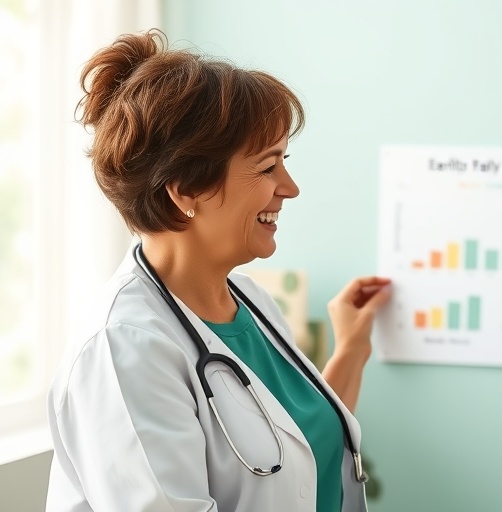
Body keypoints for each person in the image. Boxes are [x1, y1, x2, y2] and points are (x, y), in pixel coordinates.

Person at [46, 29, 391, 512]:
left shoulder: (249, 300)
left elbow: (294, 447)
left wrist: (352, 347)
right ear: (186, 189)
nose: (289, 188)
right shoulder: (125, 349)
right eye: (268, 167)